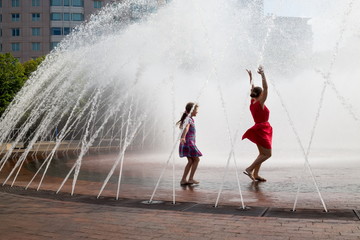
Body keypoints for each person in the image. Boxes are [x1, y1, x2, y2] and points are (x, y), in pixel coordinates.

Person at [242, 66, 272, 182]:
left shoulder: (252, 101)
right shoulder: (260, 102)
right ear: (260, 95)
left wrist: (251, 77)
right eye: (262, 93)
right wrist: (263, 75)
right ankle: (250, 169)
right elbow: (266, 87)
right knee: (268, 154)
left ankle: (256, 174)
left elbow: (252, 88)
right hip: (263, 129)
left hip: (258, 128)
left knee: (261, 153)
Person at [177, 102, 202, 185]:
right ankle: (190, 179)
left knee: (191, 161)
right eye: (196, 110)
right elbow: (186, 128)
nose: (197, 112)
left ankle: (184, 180)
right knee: (196, 159)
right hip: (188, 142)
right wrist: (183, 137)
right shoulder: (188, 119)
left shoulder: (189, 118)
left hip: (187, 142)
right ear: (192, 110)